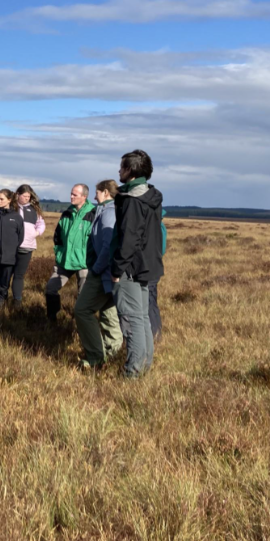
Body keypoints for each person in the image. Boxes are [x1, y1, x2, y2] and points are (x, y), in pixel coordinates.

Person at [111, 150, 164, 378]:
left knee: (132, 320)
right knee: (142, 318)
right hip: (148, 265)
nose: (119, 171)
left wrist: (117, 268)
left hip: (131, 269)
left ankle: (132, 373)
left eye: (122, 167)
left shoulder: (132, 201)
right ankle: (144, 367)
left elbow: (129, 238)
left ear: (130, 170)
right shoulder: (151, 195)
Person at [72, 180, 123, 370]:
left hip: (103, 272)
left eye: (97, 192)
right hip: (110, 273)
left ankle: (95, 357)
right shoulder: (111, 210)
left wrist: (96, 268)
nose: (95, 197)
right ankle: (114, 353)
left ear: (105, 193)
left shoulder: (109, 212)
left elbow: (108, 244)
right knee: (108, 312)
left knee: (82, 310)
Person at [45, 184, 96, 322]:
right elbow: (58, 236)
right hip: (64, 261)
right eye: (71, 193)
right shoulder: (67, 213)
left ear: (84, 197)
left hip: (84, 263)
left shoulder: (93, 213)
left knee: (83, 297)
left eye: (75, 195)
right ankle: (52, 319)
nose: (71, 196)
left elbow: (97, 240)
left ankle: (80, 325)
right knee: (50, 289)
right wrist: (59, 252)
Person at [0, 189, 24, 309]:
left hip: (9, 259)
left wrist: (11, 250)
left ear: (9, 200)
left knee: (3, 285)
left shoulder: (17, 217)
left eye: (2, 199)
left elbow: (20, 238)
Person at [12, 184, 46, 308]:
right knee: (5, 275)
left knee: (19, 275)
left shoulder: (33, 210)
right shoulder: (12, 208)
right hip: (11, 247)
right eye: (24, 196)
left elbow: (41, 224)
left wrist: (36, 233)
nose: (27, 198)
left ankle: (17, 303)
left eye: (28, 196)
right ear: (18, 195)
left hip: (27, 247)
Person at [149, 208, 167, 344]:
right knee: (152, 302)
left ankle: (155, 334)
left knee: (149, 303)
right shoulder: (160, 226)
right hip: (154, 268)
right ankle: (156, 333)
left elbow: (159, 249)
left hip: (149, 269)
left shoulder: (156, 228)